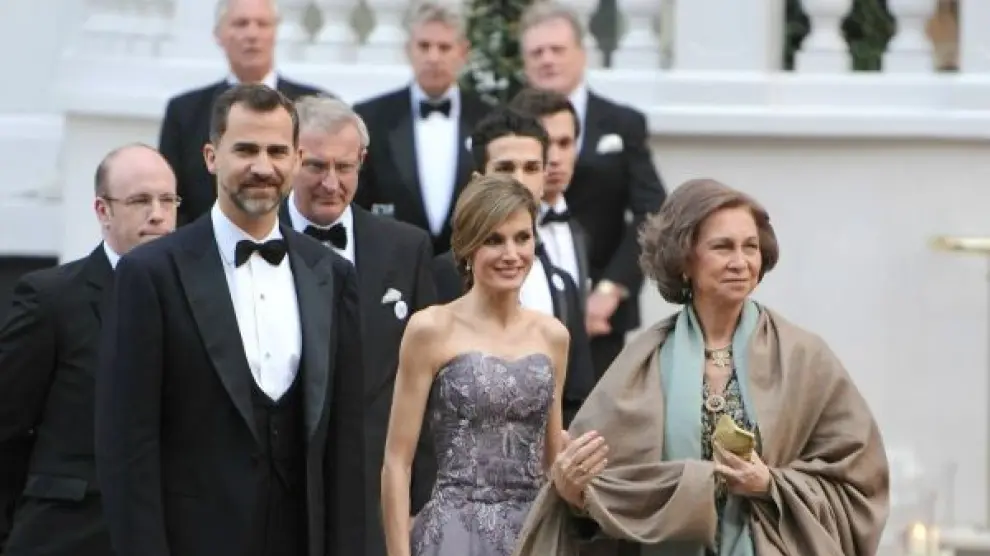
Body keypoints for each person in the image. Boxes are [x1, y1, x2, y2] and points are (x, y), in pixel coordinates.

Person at [513, 179, 890, 556]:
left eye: (750, 247)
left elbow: (860, 481)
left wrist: (769, 484)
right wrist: (573, 490)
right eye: (722, 247)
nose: (740, 262)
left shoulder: (803, 356)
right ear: (684, 260)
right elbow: (601, 493)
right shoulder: (644, 361)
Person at [95, 84, 365, 556]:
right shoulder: (150, 274)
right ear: (211, 157)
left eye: (276, 151)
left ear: (296, 159)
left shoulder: (332, 274)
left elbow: (345, 447)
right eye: (245, 150)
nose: (263, 166)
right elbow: (127, 447)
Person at [0, 144, 177, 555]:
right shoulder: (51, 299)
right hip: (67, 535)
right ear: (103, 211)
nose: (157, 214)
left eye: (167, 200)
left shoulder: (199, 299)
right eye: (140, 200)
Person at [280, 95, 438, 556]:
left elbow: (432, 384)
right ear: (290, 160)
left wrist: (422, 499)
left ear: (362, 162)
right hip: (284, 494)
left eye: (344, 167)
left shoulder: (406, 248)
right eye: (315, 166)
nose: (331, 183)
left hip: (379, 495)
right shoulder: (259, 244)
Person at [381, 174, 569, 556]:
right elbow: (397, 463)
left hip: (533, 536)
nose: (511, 254)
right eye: (494, 240)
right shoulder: (431, 328)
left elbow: (552, 464)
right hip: (454, 536)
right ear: (468, 247)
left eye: (522, 237)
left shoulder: (553, 336)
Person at [520, 1, 668, 379]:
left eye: (557, 49)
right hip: (520, 308)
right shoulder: (504, 125)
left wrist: (611, 289)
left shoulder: (622, 122)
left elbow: (653, 210)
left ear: (582, 54)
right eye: (537, 52)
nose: (547, 59)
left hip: (600, 316)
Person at [431, 107, 594, 427]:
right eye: (505, 168)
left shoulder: (561, 283)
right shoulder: (440, 275)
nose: (520, 180)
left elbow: (577, 396)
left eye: (531, 168)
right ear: (478, 180)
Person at [159, 0, 325, 226]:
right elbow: (171, 198)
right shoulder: (184, 112)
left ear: (276, 32)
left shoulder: (316, 104)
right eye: (240, 24)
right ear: (218, 34)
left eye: (262, 24)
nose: (252, 34)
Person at [353, 1, 491, 255]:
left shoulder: (489, 119)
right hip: (392, 261)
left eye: (444, 47)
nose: (433, 57)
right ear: (408, 50)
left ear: (463, 52)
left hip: (470, 264)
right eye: (424, 46)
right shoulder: (370, 118)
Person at [508, 87, 591, 301]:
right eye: (544, 144)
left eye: (565, 143)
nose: (554, 158)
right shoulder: (495, 234)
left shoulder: (578, 231)